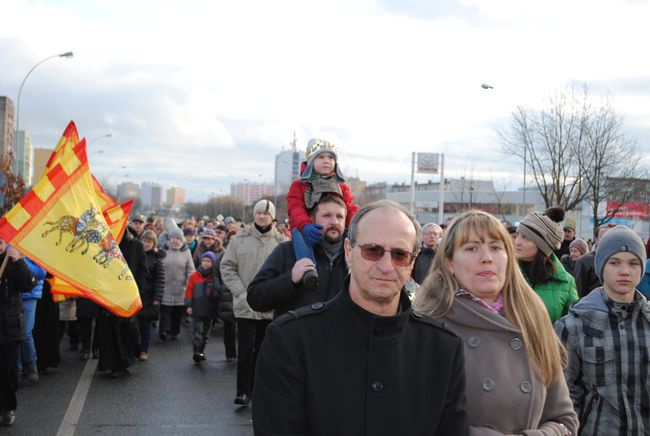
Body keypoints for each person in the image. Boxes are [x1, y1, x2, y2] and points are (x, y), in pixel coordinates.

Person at [253, 200, 469, 435]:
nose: (386, 266)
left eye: (400, 254)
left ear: (411, 263)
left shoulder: (443, 348)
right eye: (372, 250)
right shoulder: (290, 340)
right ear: (348, 251)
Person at [413, 210, 578, 435]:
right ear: (449, 262)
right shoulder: (426, 323)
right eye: (471, 248)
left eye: (496, 247)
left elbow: (564, 420)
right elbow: (418, 420)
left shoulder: (532, 315)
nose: (487, 257)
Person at [555, 226, 650, 434]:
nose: (624, 271)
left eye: (633, 263)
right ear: (601, 266)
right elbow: (564, 398)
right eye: (614, 262)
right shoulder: (574, 326)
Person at [221, 199, 286, 406]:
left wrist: (276, 294)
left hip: (270, 306)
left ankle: (260, 390)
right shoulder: (239, 239)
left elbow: (287, 273)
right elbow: (227, 267)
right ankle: (243, 392)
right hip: (245, 306)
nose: (262, 216)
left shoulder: (281, 242)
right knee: (245, 350)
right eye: (258, 213)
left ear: (272, 217)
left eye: (266, 214)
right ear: (254, 215)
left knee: (264, 351)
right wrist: (241, 293)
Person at [247, 194, 348, 318]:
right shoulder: (287, 251)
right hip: (294, 336)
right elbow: (255, 298)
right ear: (311, 219)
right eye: (327, 216)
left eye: (340, 216)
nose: (334, 221)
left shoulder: (357, 257)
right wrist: (290, 279)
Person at [286, 138, 358, 289]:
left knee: (352, 239)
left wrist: (359, 224)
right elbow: (295, 208)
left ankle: (352, 271)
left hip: (334, 229)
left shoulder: (341, 186)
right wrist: (305, 225)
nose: (327, 161)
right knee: (300, 237)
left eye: (331, 157)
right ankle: (308, 271)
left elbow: (350, 208)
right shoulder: (300, 185)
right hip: (305, 226)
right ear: (311, 161)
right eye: (321, 157)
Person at [514, 207, 578, 324]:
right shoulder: (505, 274)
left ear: (542, 245)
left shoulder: (566, 283)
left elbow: (572, 329)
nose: (517, 242)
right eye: (518, 235)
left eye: (525, 237)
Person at [0, 242, 36, 426]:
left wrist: (20, 261)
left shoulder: (13, 262)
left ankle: (8, 407)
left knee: (8, 370)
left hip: (9, 327)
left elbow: (28, 284)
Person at [160, 228, 195, 341]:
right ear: (169, 238)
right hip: (165, 285)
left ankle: (174, 331)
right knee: (165, 309)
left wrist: (189, 283)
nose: (175, 241)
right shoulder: (163, 250)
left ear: (182, 240)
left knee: (176, 311)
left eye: (178, 238)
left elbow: (190, 269)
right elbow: (158, 266)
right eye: (173, 238)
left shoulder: (186, 251)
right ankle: (163, 330)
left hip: (180, 286)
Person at [185, 252, 219, 363]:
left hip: (209, 309)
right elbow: (189, 291)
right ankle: (196, 350)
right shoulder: (194, 276)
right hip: (197, 308)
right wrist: (189, 305)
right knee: (197, 331)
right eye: (204, 260)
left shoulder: (214, 277)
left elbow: (218, 292)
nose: (205, 263)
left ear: (213, 263)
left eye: (208, 261)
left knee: (206, 332)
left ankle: (201, 351)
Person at [137, 230, 165, 361]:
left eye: (149, 242)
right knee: (134, 325)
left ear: (154, 243)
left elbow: (160, 280)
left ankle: (144, 350)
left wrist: (157, 299)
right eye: (144, 241)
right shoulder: (136, 255)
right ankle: (135, 348)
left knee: (146, 326)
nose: (146, 244)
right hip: (136, 295)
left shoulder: (156, 260)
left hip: (149, 296)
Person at [19, 257, 46, 384]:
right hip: (11, 295)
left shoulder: (35, 246)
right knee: (12, 334)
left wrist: (21, 260)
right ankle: (17, 370)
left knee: (25, 333)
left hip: (29, 295)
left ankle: (31, 365)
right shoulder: (7, 245)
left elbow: (41, 273)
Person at [574, 226, 610, 298]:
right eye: (603, 237)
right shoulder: (584, 261)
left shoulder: (616, 261)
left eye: (610, 237)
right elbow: (578, 290)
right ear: (596, 240)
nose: (607, 240)